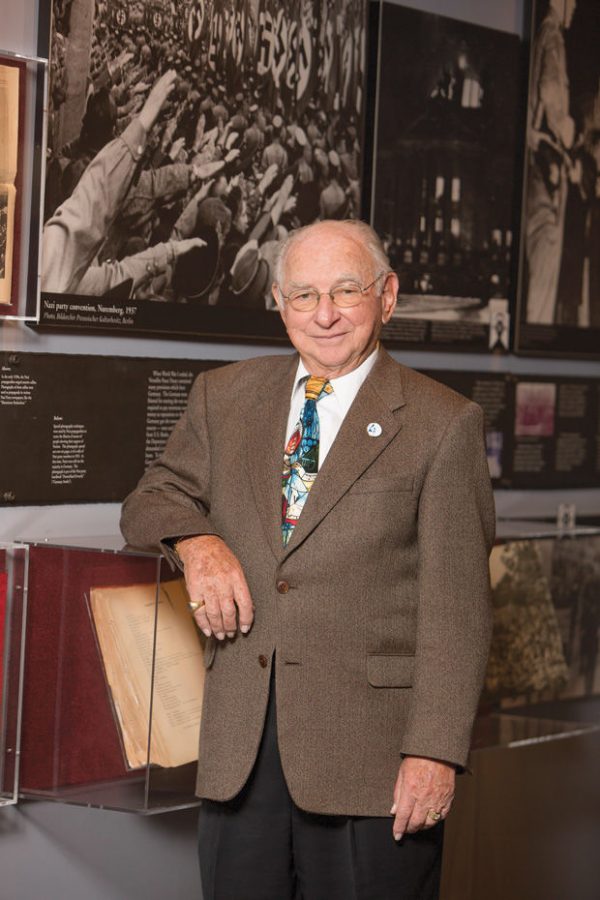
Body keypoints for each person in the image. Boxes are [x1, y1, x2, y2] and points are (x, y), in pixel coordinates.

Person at [121, 219, 495, 900]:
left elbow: (458, 612)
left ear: (387, 297)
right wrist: (195, 543)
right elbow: (152, 498)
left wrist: (435, 753)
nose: (324, 314)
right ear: (278, 301)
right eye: (304, 295)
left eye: (346, 291)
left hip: (372, 764)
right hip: (242, 754)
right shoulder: (224, 397)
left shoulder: (445, 425)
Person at [525, 0, 577, 324]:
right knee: (546, 260)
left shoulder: (541, 35)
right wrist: (568, 132)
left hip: (536, 166)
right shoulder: (553, 34)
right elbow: (552, 93)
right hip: (547, 168)